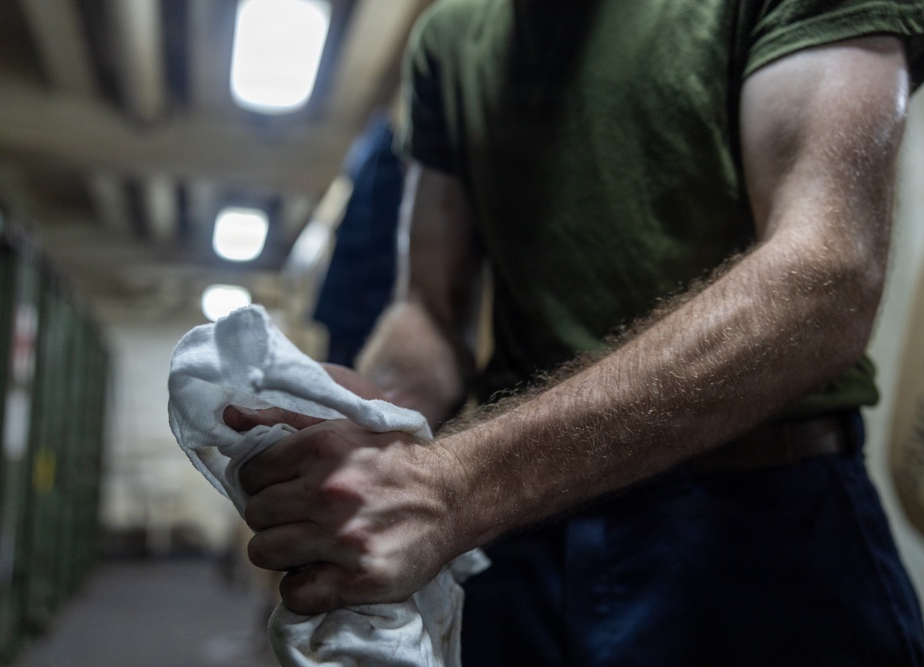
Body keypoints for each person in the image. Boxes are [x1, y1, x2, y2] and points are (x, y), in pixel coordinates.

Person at [228, 0, 924, 664]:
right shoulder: (450, 37)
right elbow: (430, 313)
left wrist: (455, 483)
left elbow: (826, 278)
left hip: (761, 524)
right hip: (525, 530)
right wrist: (372, 409)